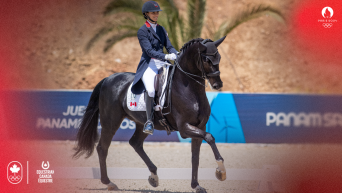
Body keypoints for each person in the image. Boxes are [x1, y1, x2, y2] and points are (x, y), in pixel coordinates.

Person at [131, 1, 178, 135]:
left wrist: (176, 53)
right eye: (153, 12)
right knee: (151, 90)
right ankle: (149, 121)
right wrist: (167, 57)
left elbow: (169, 46)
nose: (156, 15)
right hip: (149, 64)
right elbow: (149, 51)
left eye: (157, 12)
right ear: (146, 14)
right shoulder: (142, 31)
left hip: (162, 63)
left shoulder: (162, 29)